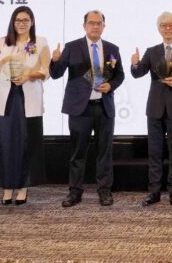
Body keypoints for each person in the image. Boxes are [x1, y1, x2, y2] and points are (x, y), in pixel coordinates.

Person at [50, 10, 125, 207]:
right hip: (80, 109)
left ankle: (104, 191)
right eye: (91, 23)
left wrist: (111, 85)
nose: (95, 26)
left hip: (104, 107)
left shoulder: (112, 49)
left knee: (104, 152)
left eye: (99, 23)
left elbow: (120, 75)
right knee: (78, 152)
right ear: (84, 26)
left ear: (104, 26)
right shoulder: (72, 47)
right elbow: (56, 74)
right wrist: (55, 60)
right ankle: (75, 192)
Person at [131, 12, 172, 206]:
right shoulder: (152, 51)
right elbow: (138, 73)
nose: (168, 29)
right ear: (159, 29)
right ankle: (154, 191)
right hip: (155, 108)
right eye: (164, 25)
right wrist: (134, 64)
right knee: (154, 151)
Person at [0, 6, 49, 205]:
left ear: (32, 22)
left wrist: (29, 76)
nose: (21, 24)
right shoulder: (3, 42)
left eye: (25, 20)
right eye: (18, 20)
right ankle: (7, 187)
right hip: (7, 99)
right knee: (6, 142)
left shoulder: (40, 42)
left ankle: (23, 187)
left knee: (25, 142)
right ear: (13, 23)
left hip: (28, 97)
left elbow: (46, 72)